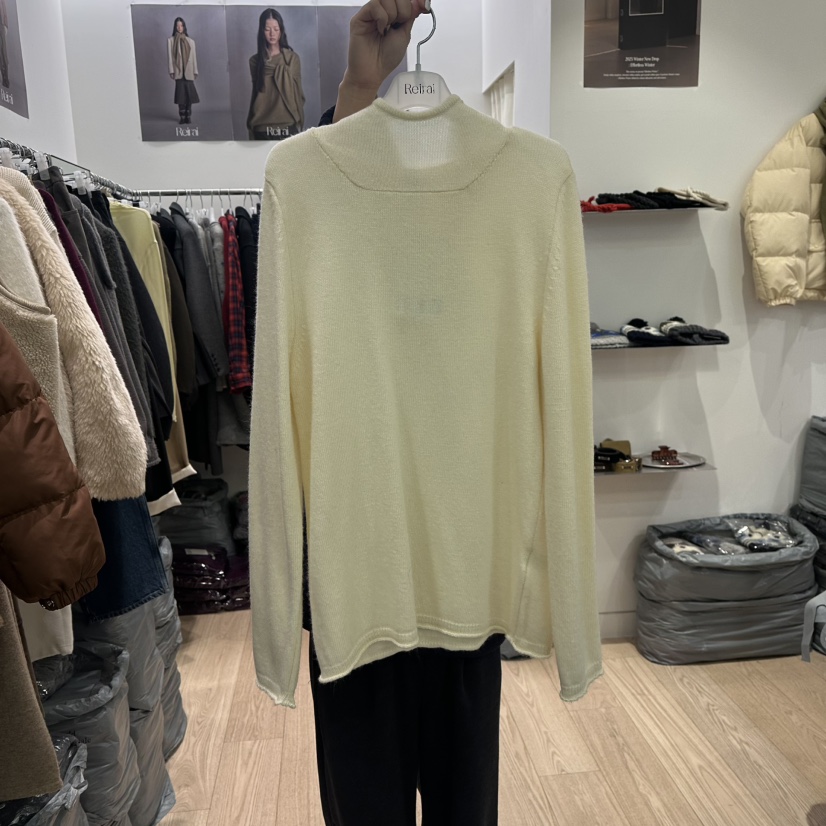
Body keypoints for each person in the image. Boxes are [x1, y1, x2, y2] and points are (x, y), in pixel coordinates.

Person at [246, 9, 305, 140]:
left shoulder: (292, 59)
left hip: (288, 123)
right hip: (261, 126)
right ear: (262, 31)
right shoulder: (255, 61)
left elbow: (298, 93)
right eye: (267, 29)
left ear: (281, 30)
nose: (272, 33)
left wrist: (299, 118)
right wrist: (250, 123)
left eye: (276, 29)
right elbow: (255, 94)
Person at [168, 17, 199, 125]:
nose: (179, 28)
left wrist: (195, 71)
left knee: (189, 96)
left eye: (181, 25)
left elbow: (194, 57)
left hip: (189, 71)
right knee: (180, 96)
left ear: (184, 26)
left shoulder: (191, 41)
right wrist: (171, 71)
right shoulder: (171, 40)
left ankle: (188, 116)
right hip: (179, 71)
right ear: (175, 27)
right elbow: (170, 57)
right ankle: (182, 117)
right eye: (177, 25)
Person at [0, 0, 9, 90]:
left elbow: (4, 6)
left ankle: (5, 78)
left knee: (3, 53)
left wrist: (5, 24)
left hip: (1, 24)